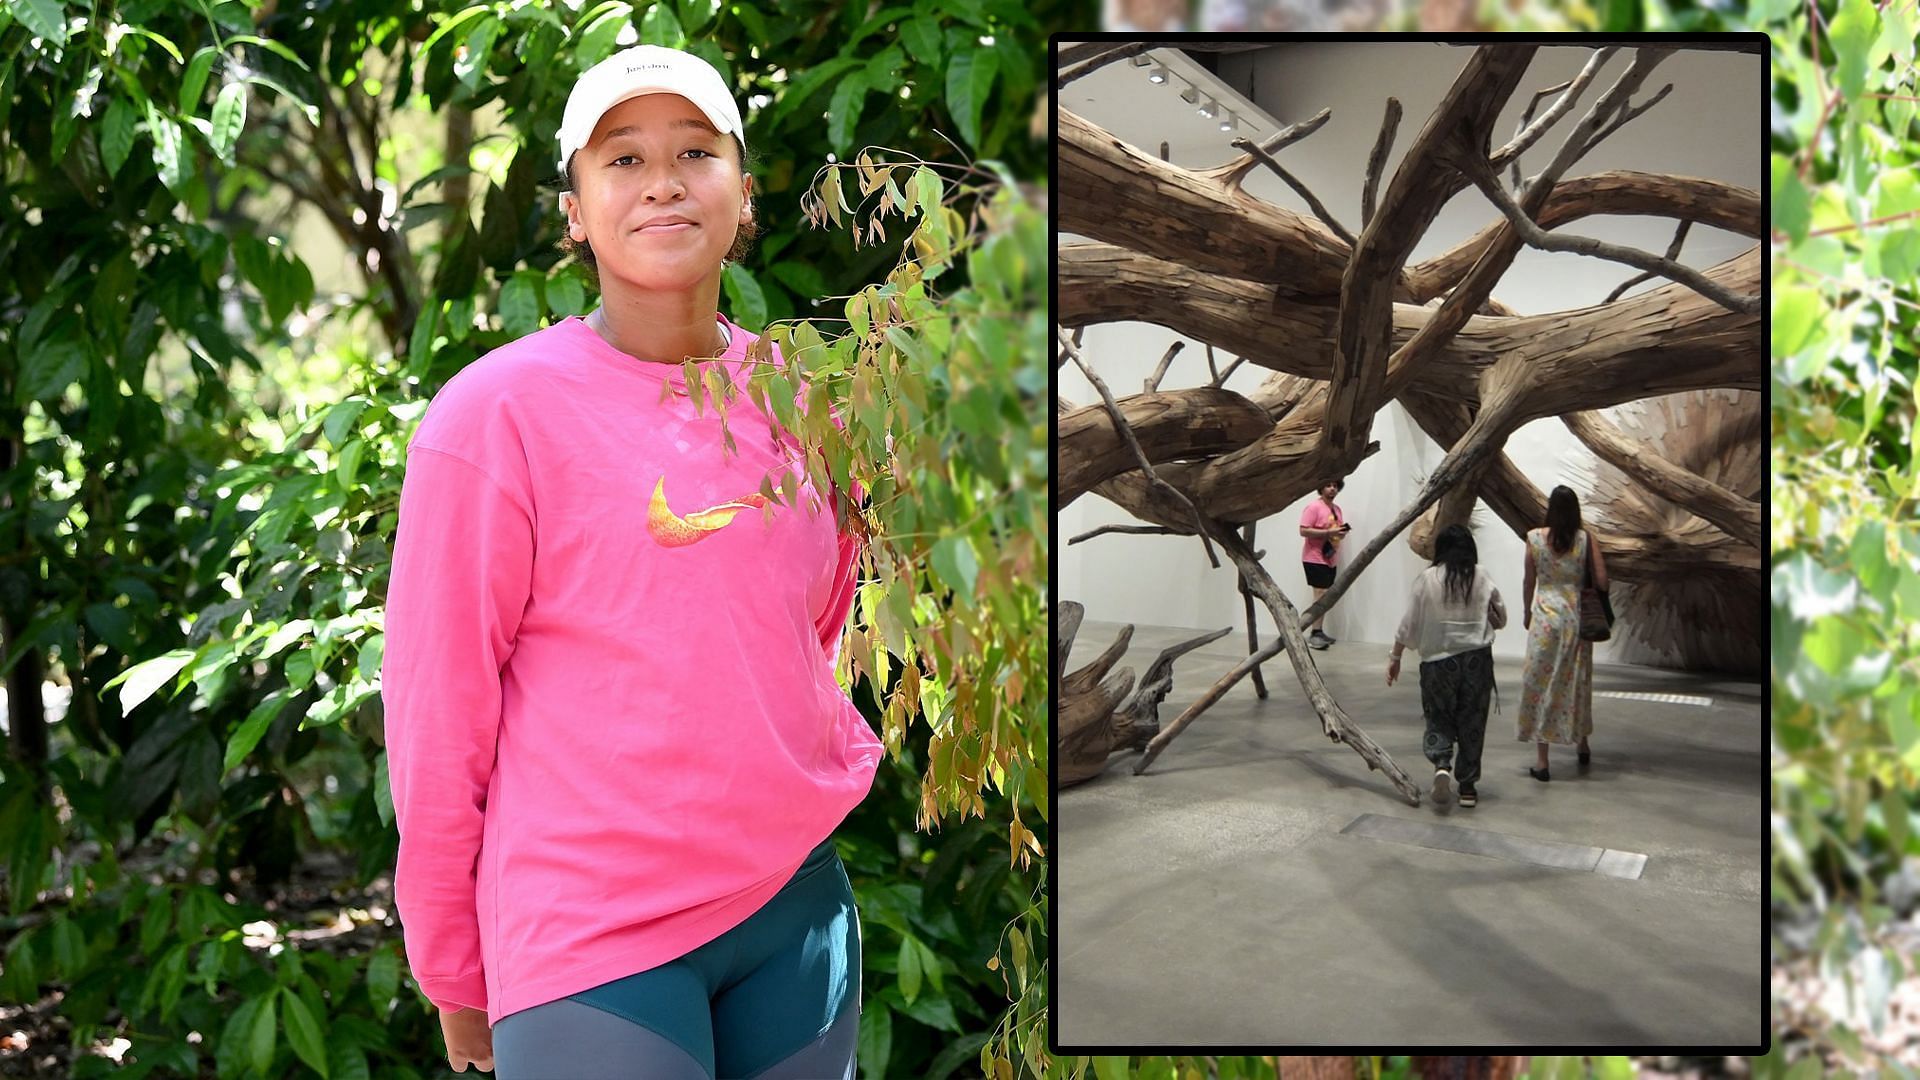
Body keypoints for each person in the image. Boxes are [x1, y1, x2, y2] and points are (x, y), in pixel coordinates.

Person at [381, 44, 883, 1080]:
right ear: (573, 209)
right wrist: (450, 963)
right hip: (591, 935)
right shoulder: (494, 417)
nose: (662, 180)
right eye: (622, 158)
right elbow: (438, 713)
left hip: (796, 904)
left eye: (695, 150)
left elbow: (818, 628)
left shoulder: (810, 398)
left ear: (744, 194)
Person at [1387, 525, 1506, 808]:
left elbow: (1409, 623)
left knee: (1439, 716)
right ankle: (1467, 788)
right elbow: (1501, 619)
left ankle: (1441, 764)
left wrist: (1395, 657)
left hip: (1438, 663)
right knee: (1472, 721)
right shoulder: (1482, 575)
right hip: (1476, 659)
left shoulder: (1427, 579)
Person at [1516, 485, 1605, 782]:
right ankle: (1582, 744)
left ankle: (1543, 762)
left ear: (1550, 509)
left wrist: (1528, 613)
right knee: (1576, 681)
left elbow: (1529, 581)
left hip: (1545, 617)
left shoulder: (1534, 538)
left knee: (1540, 683)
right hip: (1576, 617)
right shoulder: (1585, 539)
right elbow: (1603, 580)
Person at [1298, 478, 1352, 649]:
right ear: (1321, 488)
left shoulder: (1336, 509)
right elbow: (1303, 530)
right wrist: (1329, 532)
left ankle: (1318, 630)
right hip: (1314, 557)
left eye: (1335, 486)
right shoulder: (1313, 507)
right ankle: (1314, 633)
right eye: (1328, 485)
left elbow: (1336, 530)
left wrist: (1340, 533)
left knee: (1325, 595)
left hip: (1330, 558)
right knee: (1320, 594)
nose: (1332, 489)